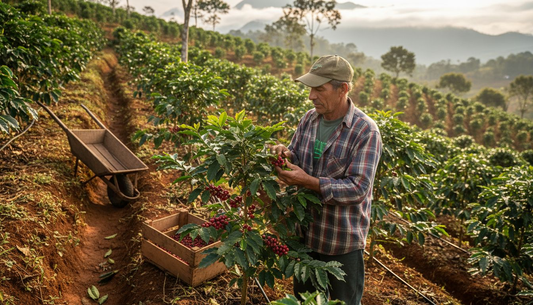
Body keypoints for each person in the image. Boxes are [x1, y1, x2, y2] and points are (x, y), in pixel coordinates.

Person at [272, 55, 382, 305]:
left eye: (319, 89)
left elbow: (358, 189)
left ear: (343, 89)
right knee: (305, 300)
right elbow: (298, 154)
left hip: (341, 242)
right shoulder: (309, 119)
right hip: (306, 236)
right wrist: (285, 154)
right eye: (311, 88)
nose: (311, 95)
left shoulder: (365, 131)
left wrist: (309, 181)